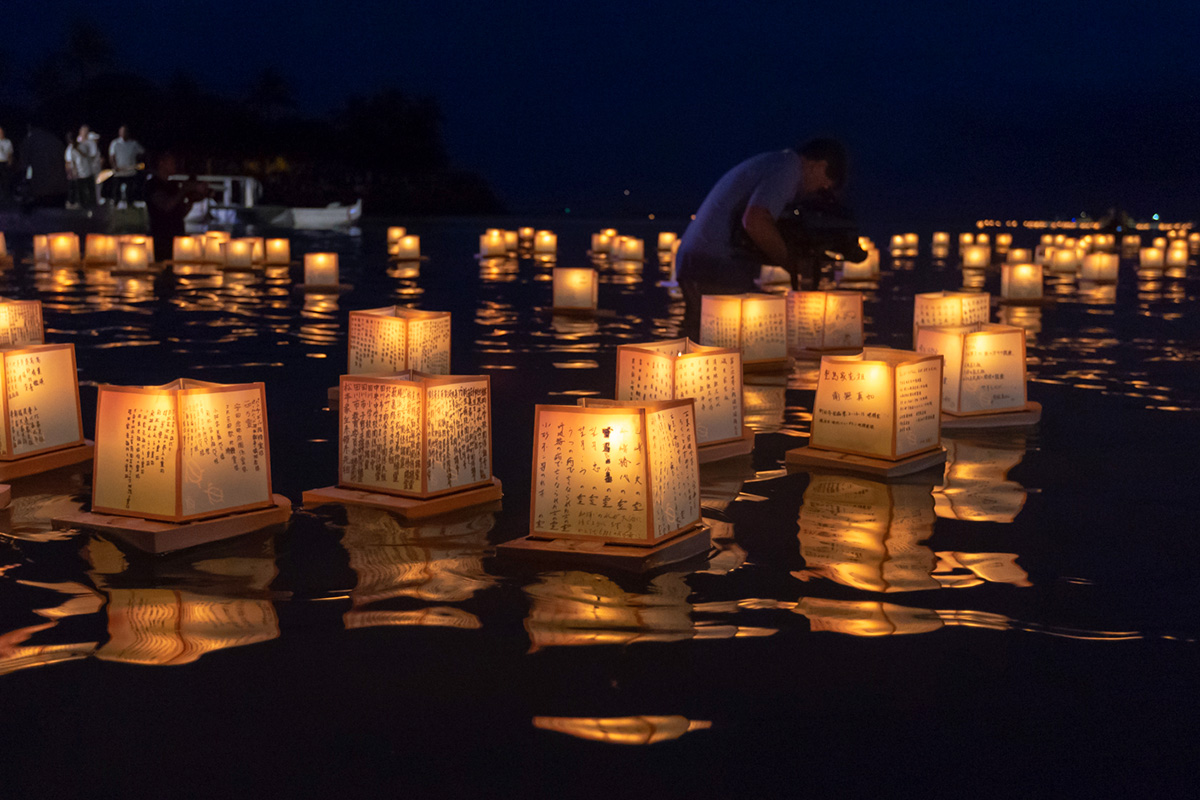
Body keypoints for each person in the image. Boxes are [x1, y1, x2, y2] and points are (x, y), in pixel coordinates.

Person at [675, 137, 848, 339]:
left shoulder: (774, 162)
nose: (817, 192)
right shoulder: (788, 168)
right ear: (819, 166)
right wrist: (791, 263)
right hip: (716, 265)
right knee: (733, 342)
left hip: (700, 260)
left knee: (700, 337)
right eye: (824, 187)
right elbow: (756, 221)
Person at [145, 152, 208, 262]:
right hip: (160, 237)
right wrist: (184, 190)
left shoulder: (173, 185)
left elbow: (180, 213)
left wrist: (191, 200)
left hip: (177, 236)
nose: (175, 165)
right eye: (172, 162)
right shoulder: (152, 185)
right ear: (162, 163)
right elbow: (166, 206)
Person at [107, 124, 145, 206]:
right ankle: (116, 204)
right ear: (119, 133)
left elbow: (142, 152)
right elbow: (111, 156)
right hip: (119, 172)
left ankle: (130, 204)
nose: (123, 133)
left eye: (125, 132)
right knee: (116, 190)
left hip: (130, 171)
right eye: (122, 132)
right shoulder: (115, 143)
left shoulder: (134, 144)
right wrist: (114, 166)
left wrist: (137, 161)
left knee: (130, 190)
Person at [67, 125, 102, 210]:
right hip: (80, 174)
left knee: (91, 191)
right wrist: (74, 172)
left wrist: (78, 150)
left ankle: (94, 208)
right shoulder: (72, 150)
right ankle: (83, 208)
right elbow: (73, 162)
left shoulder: (83, 146)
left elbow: (88, 156)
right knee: (81, 193)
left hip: (89, 172)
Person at [0, 126, 13, 205]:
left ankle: (6, 196)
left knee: (5, 180)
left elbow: (10, 153)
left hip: (4, 163)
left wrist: (10, 162)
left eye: (1, 132)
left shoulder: (7, 142)